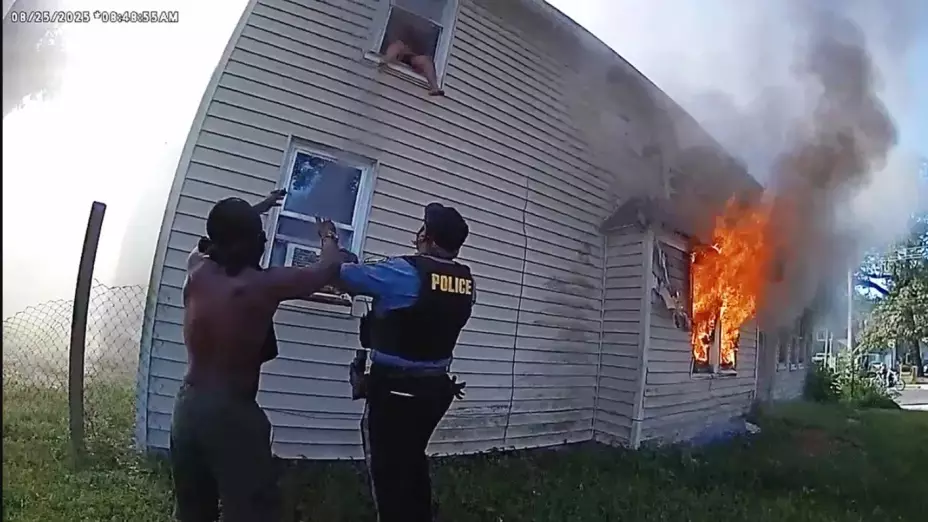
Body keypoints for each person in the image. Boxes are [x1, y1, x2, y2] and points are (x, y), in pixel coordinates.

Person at [171, 189, 346, 522]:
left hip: (187, 407)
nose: (265, 242)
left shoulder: (196, 267)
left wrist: (262, 206)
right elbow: (328, 269)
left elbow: (216, 235)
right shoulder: (264, 284)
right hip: (231, 413)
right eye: (259, 236)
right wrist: (328, 235)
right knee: (250, 510)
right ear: (246, 243)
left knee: (193, 511)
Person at [338, 203, 475, 522]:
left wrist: (331, 242)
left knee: (387, 476)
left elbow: (342, 276)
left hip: (396, 392)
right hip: (435, 392)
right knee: (412, 461)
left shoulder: (405, 271)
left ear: (426, 235)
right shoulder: (466, 281)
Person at [381, 24, 444, 96]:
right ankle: (384, 61)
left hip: (411, 60)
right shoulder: (399, 43)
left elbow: (422, 60)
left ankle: (435, 87)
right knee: (398, 45)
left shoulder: (417, 50)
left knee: (425, 60)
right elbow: (397, 46)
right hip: (399, 57)